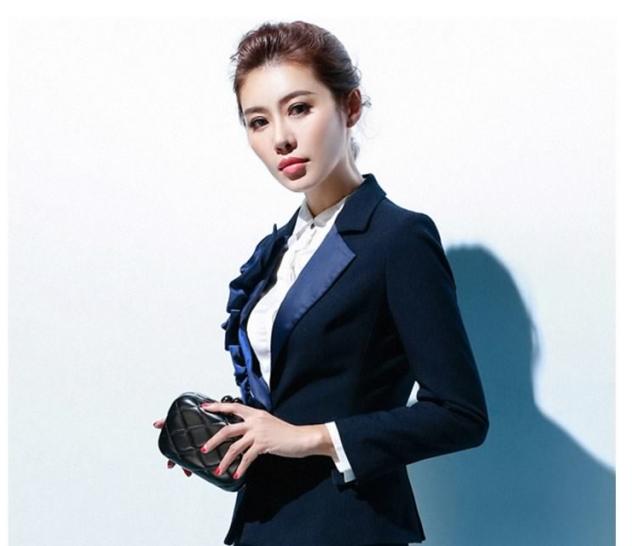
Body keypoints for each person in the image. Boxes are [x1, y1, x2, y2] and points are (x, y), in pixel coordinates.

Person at [153, 20, 489, 546]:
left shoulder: (398, 238)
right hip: (264, 522)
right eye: (258, 121)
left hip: (347, 525)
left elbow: (460, 414)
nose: (280, 138)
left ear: (349, 107)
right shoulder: (277, 250)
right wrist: (233, 432)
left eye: (299, 108)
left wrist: (310, 438)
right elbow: (297, 390)